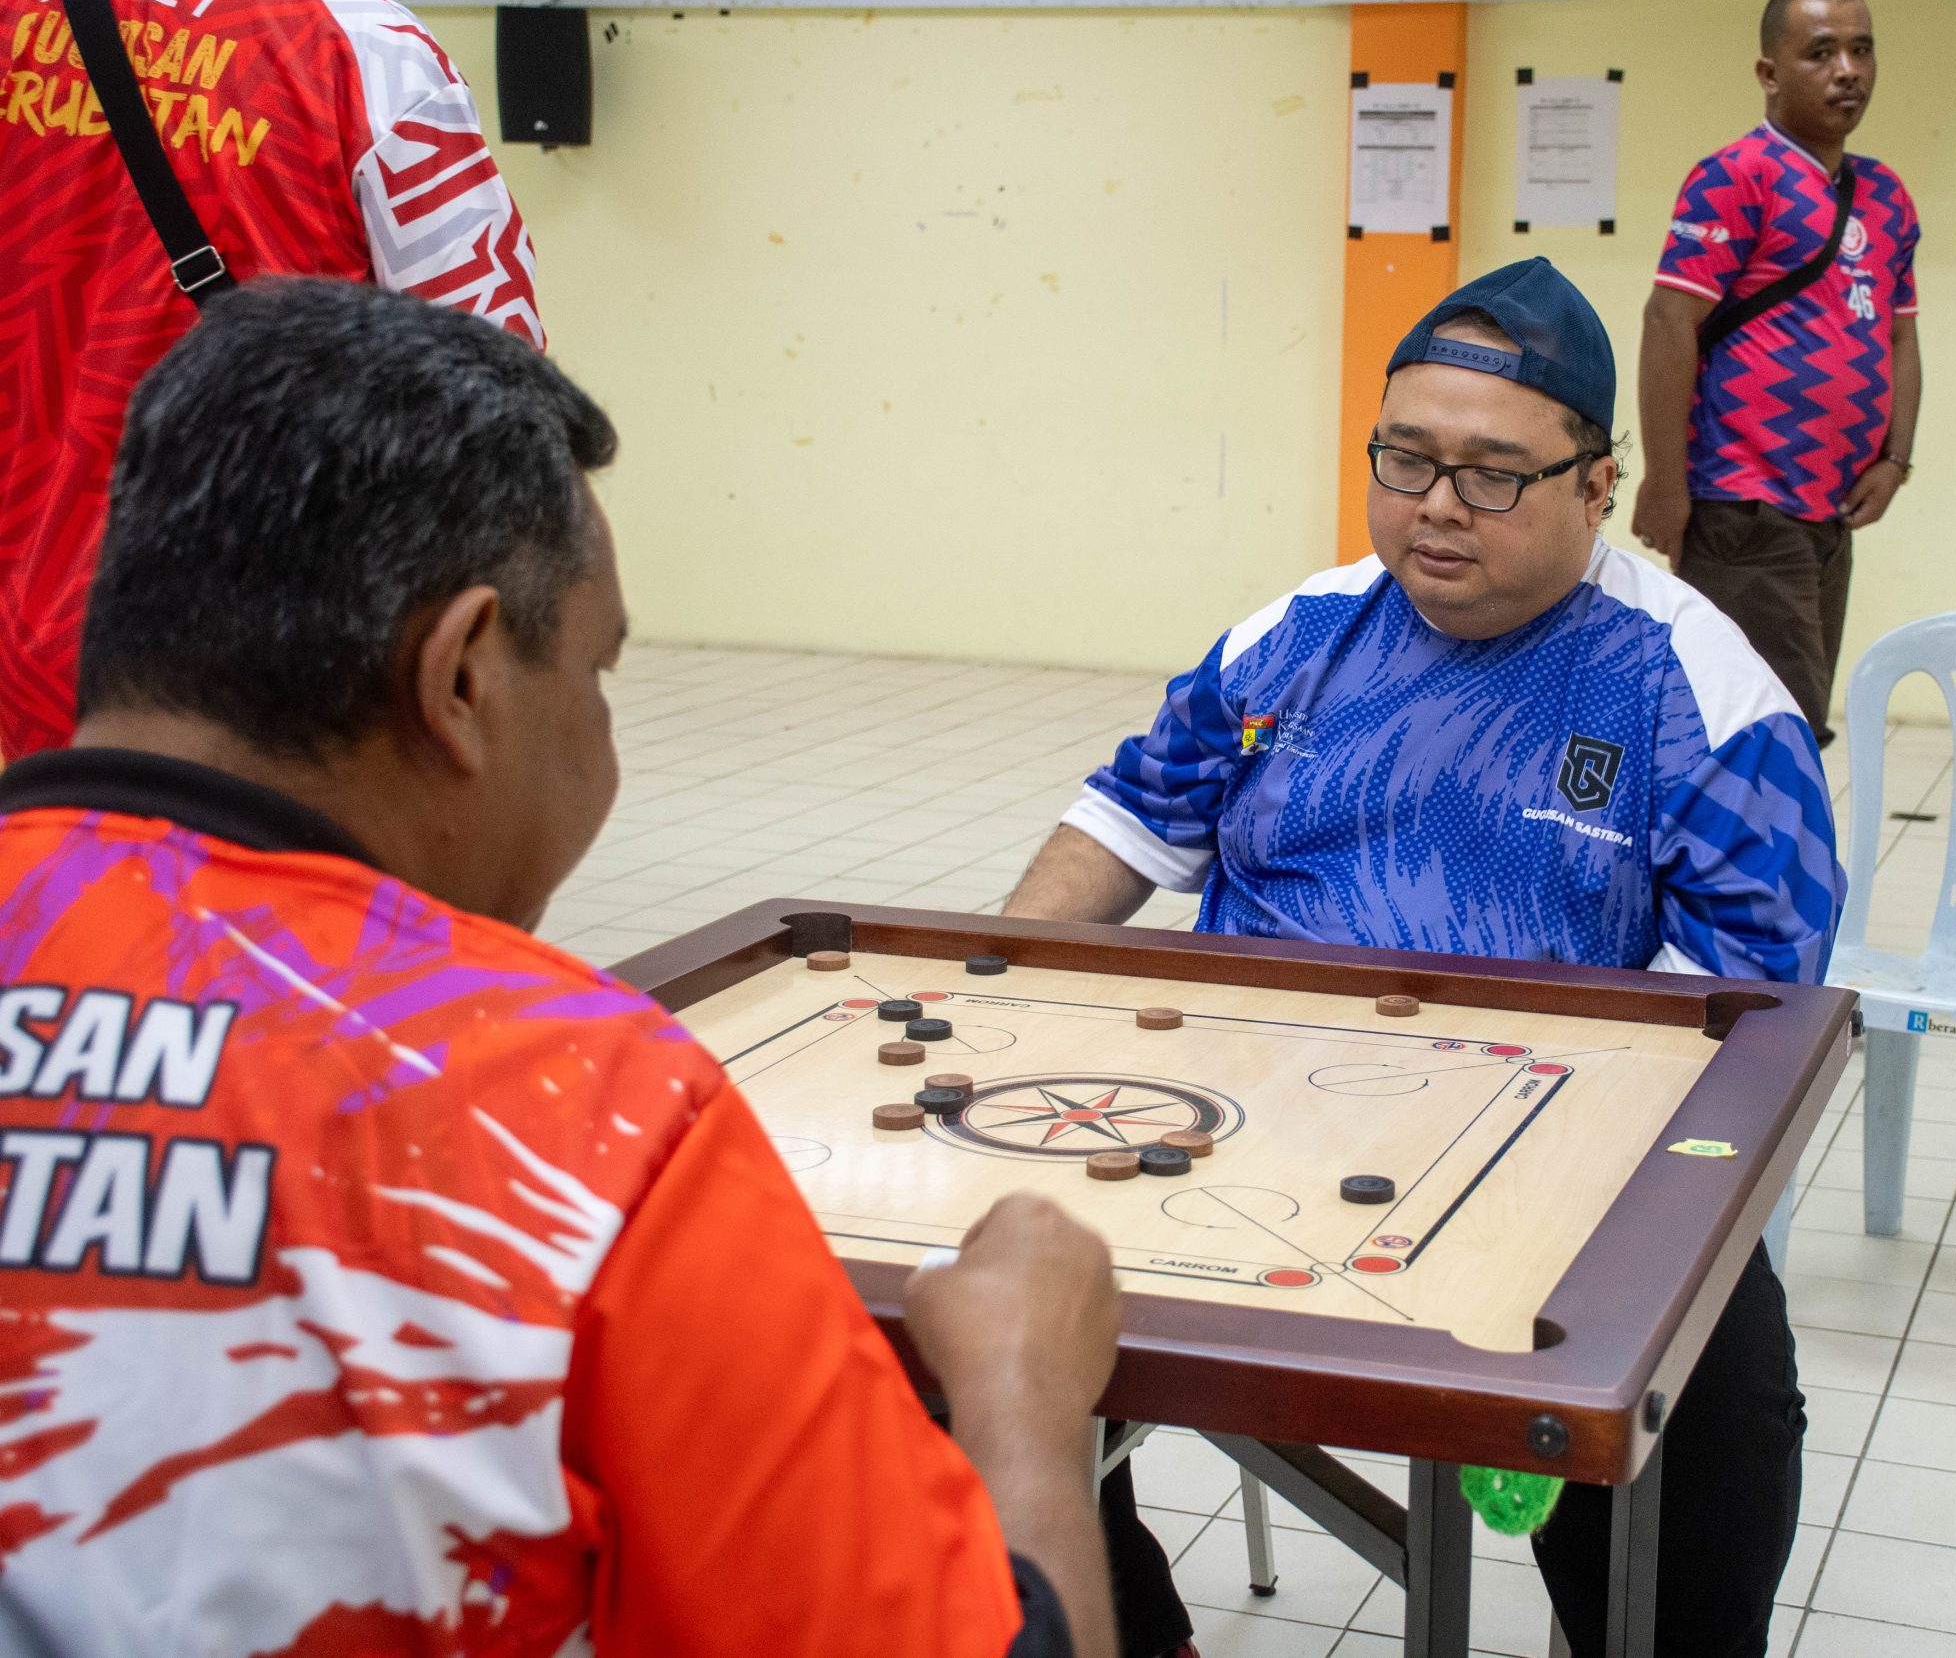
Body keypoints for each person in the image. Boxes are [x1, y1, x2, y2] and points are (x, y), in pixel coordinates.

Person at [0, 279, 1119, 1658]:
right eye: (597, 673)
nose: (600, 733)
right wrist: (1022, 1391)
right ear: (462, 677)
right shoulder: (569, 1105)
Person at [1007, 256, 1843, 1658]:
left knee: (1716, 1397)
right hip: (1236, 1124)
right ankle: (1130, 1630)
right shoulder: (1298, 634)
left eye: (1493, 474)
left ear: (1598, 484)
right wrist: (997, 1002)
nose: (1437, 505)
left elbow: (1758, 1017)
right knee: (970, 1297)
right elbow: (1125, 818)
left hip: (1548, 1154)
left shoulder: (1696, 692)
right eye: (1405, 459)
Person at [0, 0, 541, 762]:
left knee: (74, 846)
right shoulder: (363, 48)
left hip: (29, 635)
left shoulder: (14, 8)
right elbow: (496, 389)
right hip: (277, 654)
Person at [1628, 0, 1921, 748]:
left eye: (1861, 50)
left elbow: (1899, 335)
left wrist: (1896, 459)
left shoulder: (1885, 195)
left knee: (1794, 714)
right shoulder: (1735, 176)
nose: (1847, 70)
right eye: (1821, 52)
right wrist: (1666, 482)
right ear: (1769, 72)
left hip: (1830, 514)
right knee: (1759, 730)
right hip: (1743, 508)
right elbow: (1668, 321)